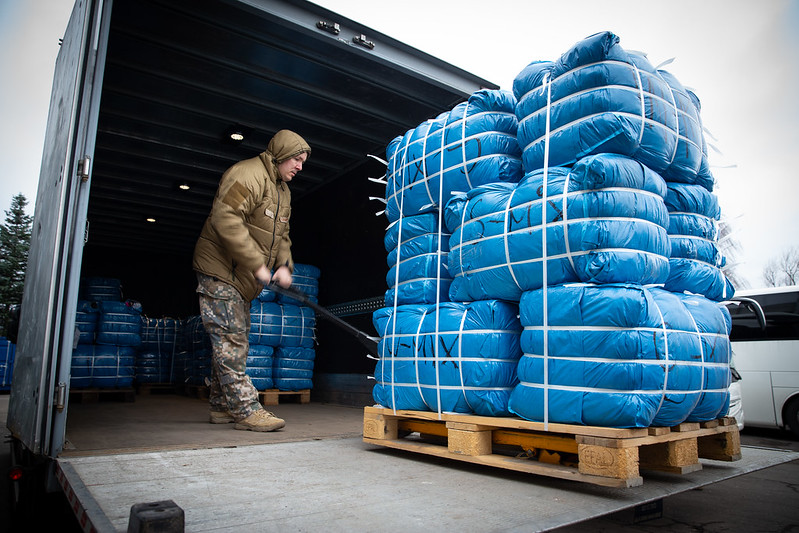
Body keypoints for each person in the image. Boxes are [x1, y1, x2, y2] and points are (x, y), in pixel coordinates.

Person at [192, 129, 311, 432]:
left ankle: (221, 406)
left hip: (242, 278)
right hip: (221, 270)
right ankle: (246, 409)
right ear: (281, 155)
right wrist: (257, 264)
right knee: (231, 339)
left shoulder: (283, 191)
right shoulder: (246, 174)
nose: (300, 166)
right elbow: (225, 218)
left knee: (234, 340)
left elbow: (282, 234)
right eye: (296, 159)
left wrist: (284, 266)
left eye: (303, 161)